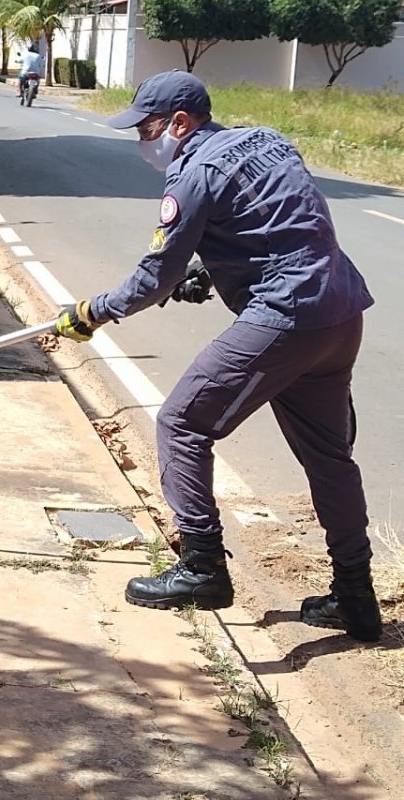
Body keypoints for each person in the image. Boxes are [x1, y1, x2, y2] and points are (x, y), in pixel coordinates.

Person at [52, 70, 382, 642]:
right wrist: (212, 267)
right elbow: (281, 223)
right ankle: (356, 598)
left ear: (180, 123)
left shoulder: (192, 174)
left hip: (285, 316)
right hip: (339, 313)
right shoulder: (268, 139)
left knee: (181, 423)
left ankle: (202, 566)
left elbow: (154, 278)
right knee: (330, 458)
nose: (142, 144)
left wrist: (92, 312)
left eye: (147, 130)